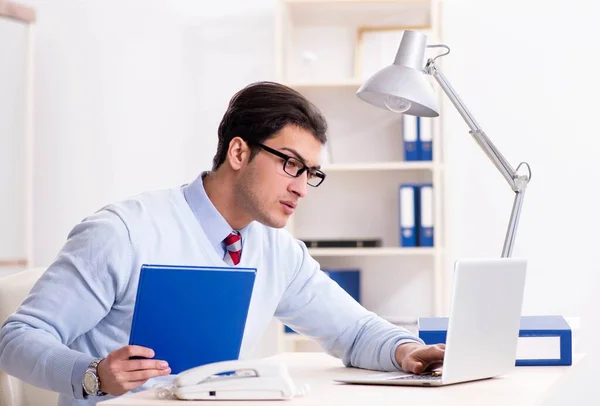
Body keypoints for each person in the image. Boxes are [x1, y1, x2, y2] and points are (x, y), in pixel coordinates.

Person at [0, 81, 444, 406]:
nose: (302, 188)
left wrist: (405, 351)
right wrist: (92, 374)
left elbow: (354, 329)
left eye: (311, 173)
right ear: (238, 153)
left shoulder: (277, 250)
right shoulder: (123, 232)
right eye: (291, 165)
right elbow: (17, 338)